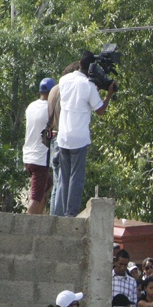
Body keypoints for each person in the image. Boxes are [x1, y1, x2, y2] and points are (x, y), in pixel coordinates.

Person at [54, 51, 115, 217]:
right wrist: (108, 94)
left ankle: (60, 213)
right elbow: (100, 110)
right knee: (76, 178)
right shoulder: (88, 86)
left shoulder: (64, 80)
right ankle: (71, 213)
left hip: (63, 136)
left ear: (80, 62)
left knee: (64, 178)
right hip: (79, 137)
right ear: (91, 68)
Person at [24, 78, 56, 214]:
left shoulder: (31, 106)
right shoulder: (49, 109)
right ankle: (25, 228)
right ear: (52, 92)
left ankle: (38, 220)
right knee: (35, 198)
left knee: (48, 183)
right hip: (40, 159)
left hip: (28, 156)